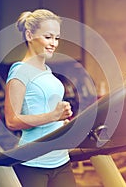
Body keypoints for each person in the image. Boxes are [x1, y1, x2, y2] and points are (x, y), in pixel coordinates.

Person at [4, 9, 77, 187]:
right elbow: (12, 121)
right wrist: (54, 116)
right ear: (29, 35)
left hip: (60, 159)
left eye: (57, 38)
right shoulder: (20, 71)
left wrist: (62, 124)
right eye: (48, 37)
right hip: (32, 162)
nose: (54, 43)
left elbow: (45, 111)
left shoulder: (47, 71)